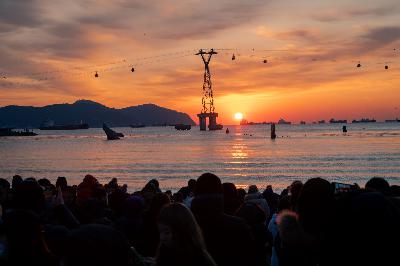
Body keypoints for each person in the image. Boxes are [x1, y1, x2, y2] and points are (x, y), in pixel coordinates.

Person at [191, 173, 256, 266]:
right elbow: (251, 258)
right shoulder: (238, 225)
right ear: (220, 193)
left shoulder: (185, 227)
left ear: (195, 192)